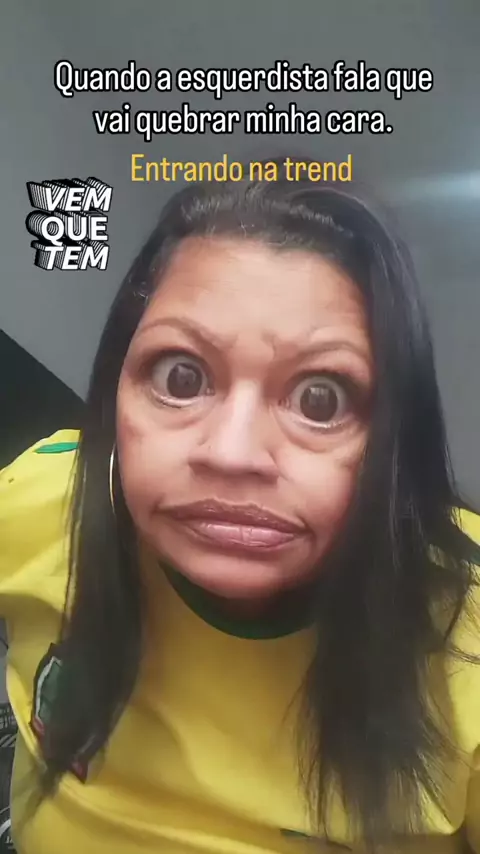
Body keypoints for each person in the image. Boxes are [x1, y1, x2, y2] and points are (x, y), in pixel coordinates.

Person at [1, 160, 480, 854]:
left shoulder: (469, 626)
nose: (232, 453)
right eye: (181, 378)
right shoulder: (39, 498)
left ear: (394, 441)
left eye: (320, 399)